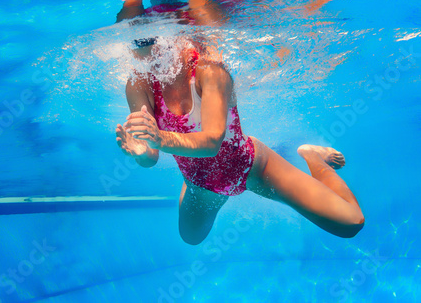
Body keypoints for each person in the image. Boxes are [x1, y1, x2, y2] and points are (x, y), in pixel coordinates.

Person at [115, 38, 364, 245]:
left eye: (151, 47)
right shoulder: (139, 84)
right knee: (190, 238)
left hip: (251, 166)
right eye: (138, 50)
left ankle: (313, 156)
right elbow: (151, 155)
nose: (147, 60)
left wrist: (159, 138)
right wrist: (140, 153)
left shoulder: (209, 70)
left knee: (350, 223)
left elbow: (212, 141)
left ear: (173, 39)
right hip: (201, 185)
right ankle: (189, 183)